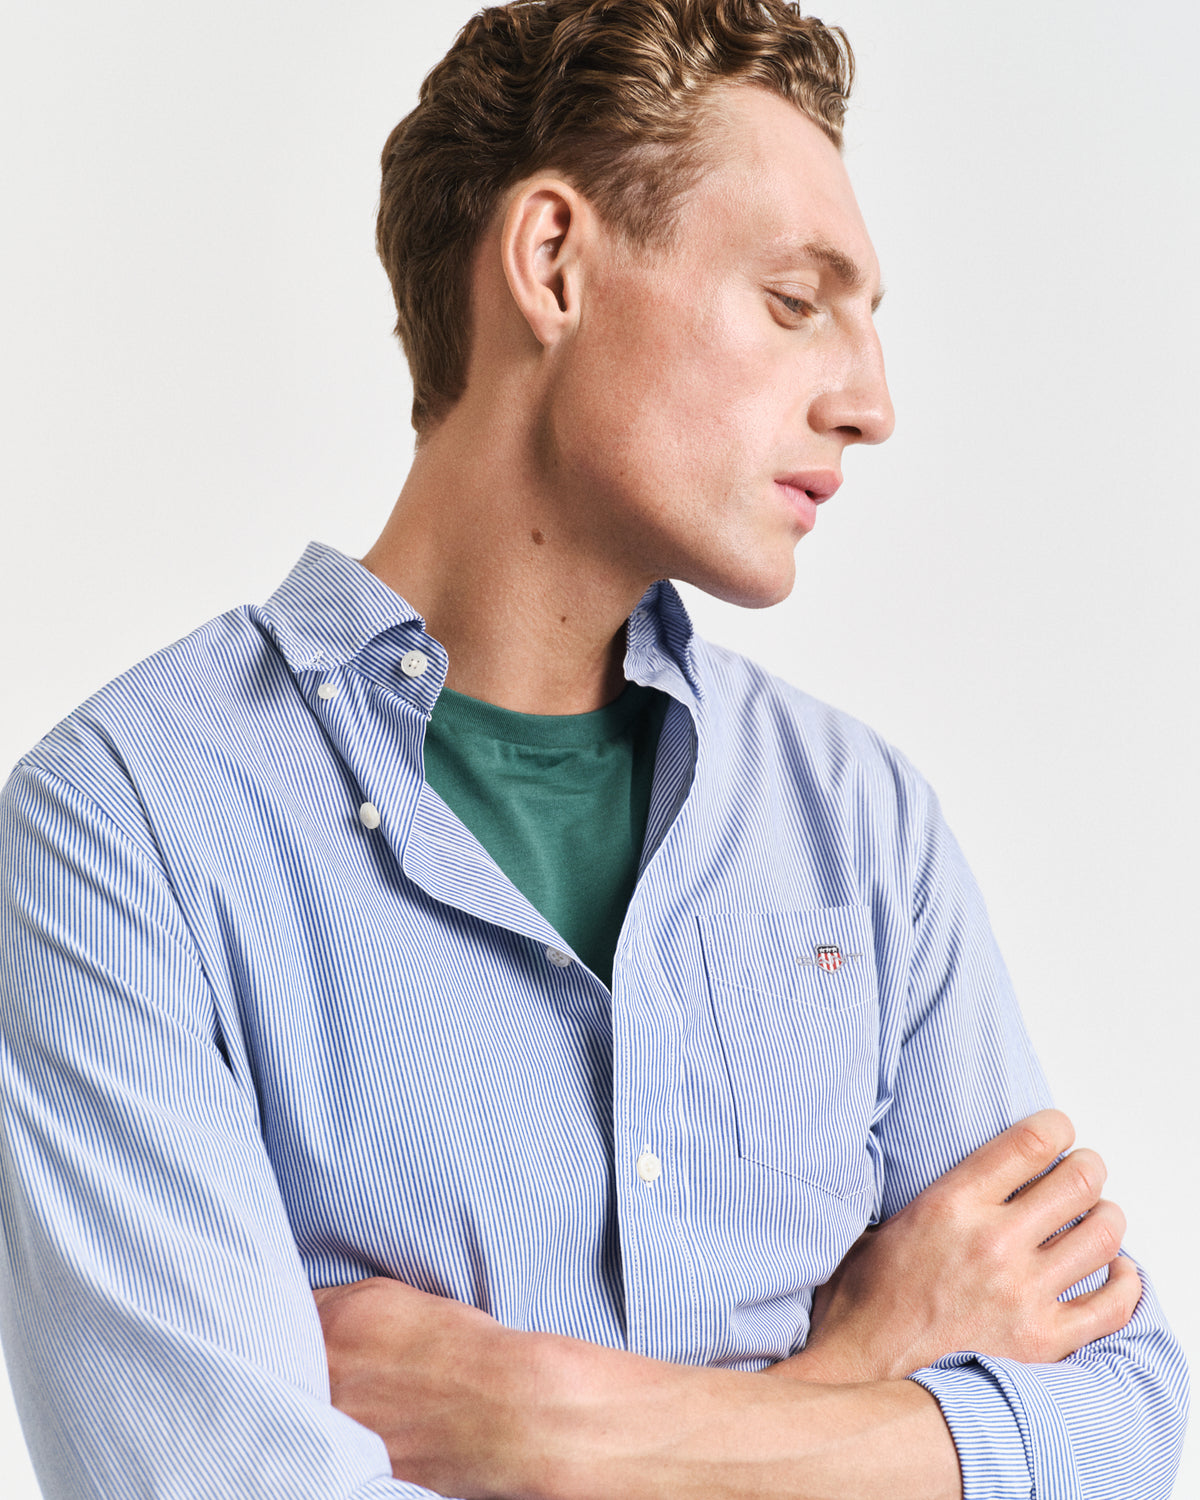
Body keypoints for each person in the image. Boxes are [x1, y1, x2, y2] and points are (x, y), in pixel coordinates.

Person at [0, 1, 1187, 1496]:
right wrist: (847, 1386)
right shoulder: (131, 827)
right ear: (554, 262)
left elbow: (1121, 1428)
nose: (871, 400)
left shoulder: (858, 823)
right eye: (794, 299)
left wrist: (557, 1427)